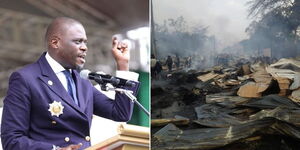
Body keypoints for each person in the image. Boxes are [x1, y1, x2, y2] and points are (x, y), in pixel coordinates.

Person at [1, 17, 140, 150]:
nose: (84, 48)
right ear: (55, 43)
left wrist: (123, 65)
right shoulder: (26, 78)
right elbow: (12, 139)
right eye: (78, 42)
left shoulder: (83, 82)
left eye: (85, 42)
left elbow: (120, 113)